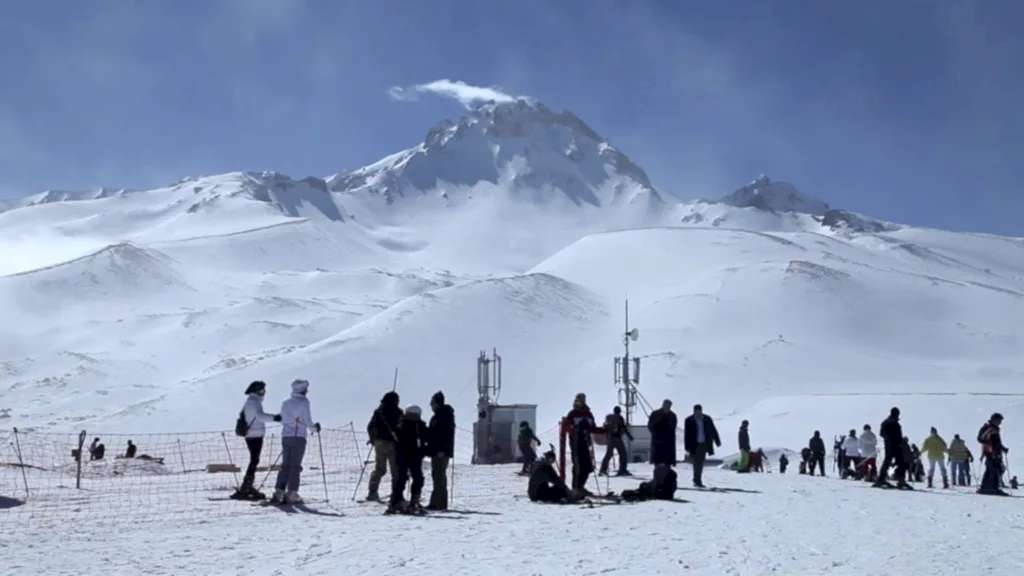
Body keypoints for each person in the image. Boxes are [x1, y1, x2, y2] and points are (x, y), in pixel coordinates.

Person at [271, 379, 320, 504]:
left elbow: (282, 420)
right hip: (298, 436)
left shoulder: (285, 402)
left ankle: (279, 491)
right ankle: (292, 493)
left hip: (286, 436)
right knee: (295, 465)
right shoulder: (304, 402)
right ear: (302, 390)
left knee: (285, 465)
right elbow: (307, 420)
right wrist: (314, 428)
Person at [232, 380, 281, 500]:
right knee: (254, 460)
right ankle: (246, 488)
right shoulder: (254, 402)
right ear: (256, 391)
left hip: (252, 434)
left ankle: (247, 486)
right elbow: (260, 416)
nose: (264, 393)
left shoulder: (251, 401)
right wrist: (275, 417)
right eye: (262, 390)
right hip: (255, 434)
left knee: (254, 460)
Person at [387, 405, 428, 515]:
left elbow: (395, 439)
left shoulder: (400, 425)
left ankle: (396, 501)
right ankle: (414, 503)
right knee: (418, 478)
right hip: (415, 456)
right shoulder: (421, 426)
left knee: (401, 478)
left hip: (401, 455)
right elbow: (426, 440)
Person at [365, 391, 403, 502]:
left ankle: (372, 492)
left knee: (379, 469)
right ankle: (395, 494)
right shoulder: (399, 412)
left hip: (379, 443)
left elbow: (370, 427)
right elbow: (401, 428)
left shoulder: (379, 412)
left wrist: (373, 439)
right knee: (395, 470)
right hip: (393, 444)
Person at [427, 391, 455, 510]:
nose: (431, 406)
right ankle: (437, 502)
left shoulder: (444, 416)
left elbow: (445, 435)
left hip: (441, 452)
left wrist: (442, 450)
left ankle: (439, 503)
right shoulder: (439, 416)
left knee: (439, 476)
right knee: (437, 476)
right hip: (436, 451)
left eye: (432, 403)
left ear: (437, 403)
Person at [565, 393, 598, 495]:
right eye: (579, 399)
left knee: (588, 466)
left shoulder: (588, 413)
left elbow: (593, 427)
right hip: (575, 442)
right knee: (578, 466)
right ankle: (576, 488)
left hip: (585, 442)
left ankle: (581, 486)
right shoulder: (572, 414)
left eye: (583, 399)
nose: (582, 401)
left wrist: (605, 430)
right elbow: (567, 427)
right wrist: (572, 429)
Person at [683, 404, 721, 488]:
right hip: (694, 444)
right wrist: (687, 446)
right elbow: (687, 434)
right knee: (697, 462)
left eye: (699, 411)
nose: (697, 413)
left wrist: (717, 440)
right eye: (696, 411)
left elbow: (713, 430)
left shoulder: (707, 419)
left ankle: (697, 479)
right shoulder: (689, 420)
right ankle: (697, 480)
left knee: (700, 462)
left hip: (703, 444)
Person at [875, 407, 911, 489]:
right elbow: (884, 434)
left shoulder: (888, 423)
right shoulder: (891, 423)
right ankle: (899, 481)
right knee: (900, 463)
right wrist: (893, 441)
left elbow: (882, 434)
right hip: (894, 446)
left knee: (890, 462)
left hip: (893, 445)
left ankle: (882, 479)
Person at [977, 413, 1009, 496]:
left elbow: (997, 442)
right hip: (990, 451)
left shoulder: (995, 429)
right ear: (994, 419)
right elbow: (980, 439)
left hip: (996, 452)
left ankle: (989, 487)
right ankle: (990, 488)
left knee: (996, 469)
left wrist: (1002, 448)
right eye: (999, 420)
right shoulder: (987, 428)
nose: (1000, 422)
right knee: (993, 469)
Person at [600, 406, 634, 476]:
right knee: (623, 454)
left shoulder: (609, 417)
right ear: (619, 411)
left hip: (609, 438)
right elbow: (623, 427)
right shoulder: (619, 418)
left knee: (608, 454)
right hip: (617, 438)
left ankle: (602, 470)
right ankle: (622, 470)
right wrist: (629, 436)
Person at [648, 399, 678, 467]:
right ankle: (658, 477)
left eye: (668, 406)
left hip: (668, 444)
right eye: (665, 405)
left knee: (667, 465)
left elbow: (673, 428)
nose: (667, 407)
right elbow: (650, 426)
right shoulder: (655, 414)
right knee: (658, 464)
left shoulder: (672, 416)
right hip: (658, 442)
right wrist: (656, 435)